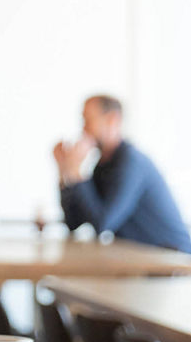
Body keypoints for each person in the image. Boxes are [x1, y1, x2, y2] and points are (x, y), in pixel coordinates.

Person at [54, 94, 191, 254]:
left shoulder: (131, 163)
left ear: (112, 119)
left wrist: (77, 174)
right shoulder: (104, 165)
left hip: (172, 262)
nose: (84, 129)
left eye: (88, 121)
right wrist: (65, 172)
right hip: (141, 261)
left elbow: (102, 224)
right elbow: (73, 222)